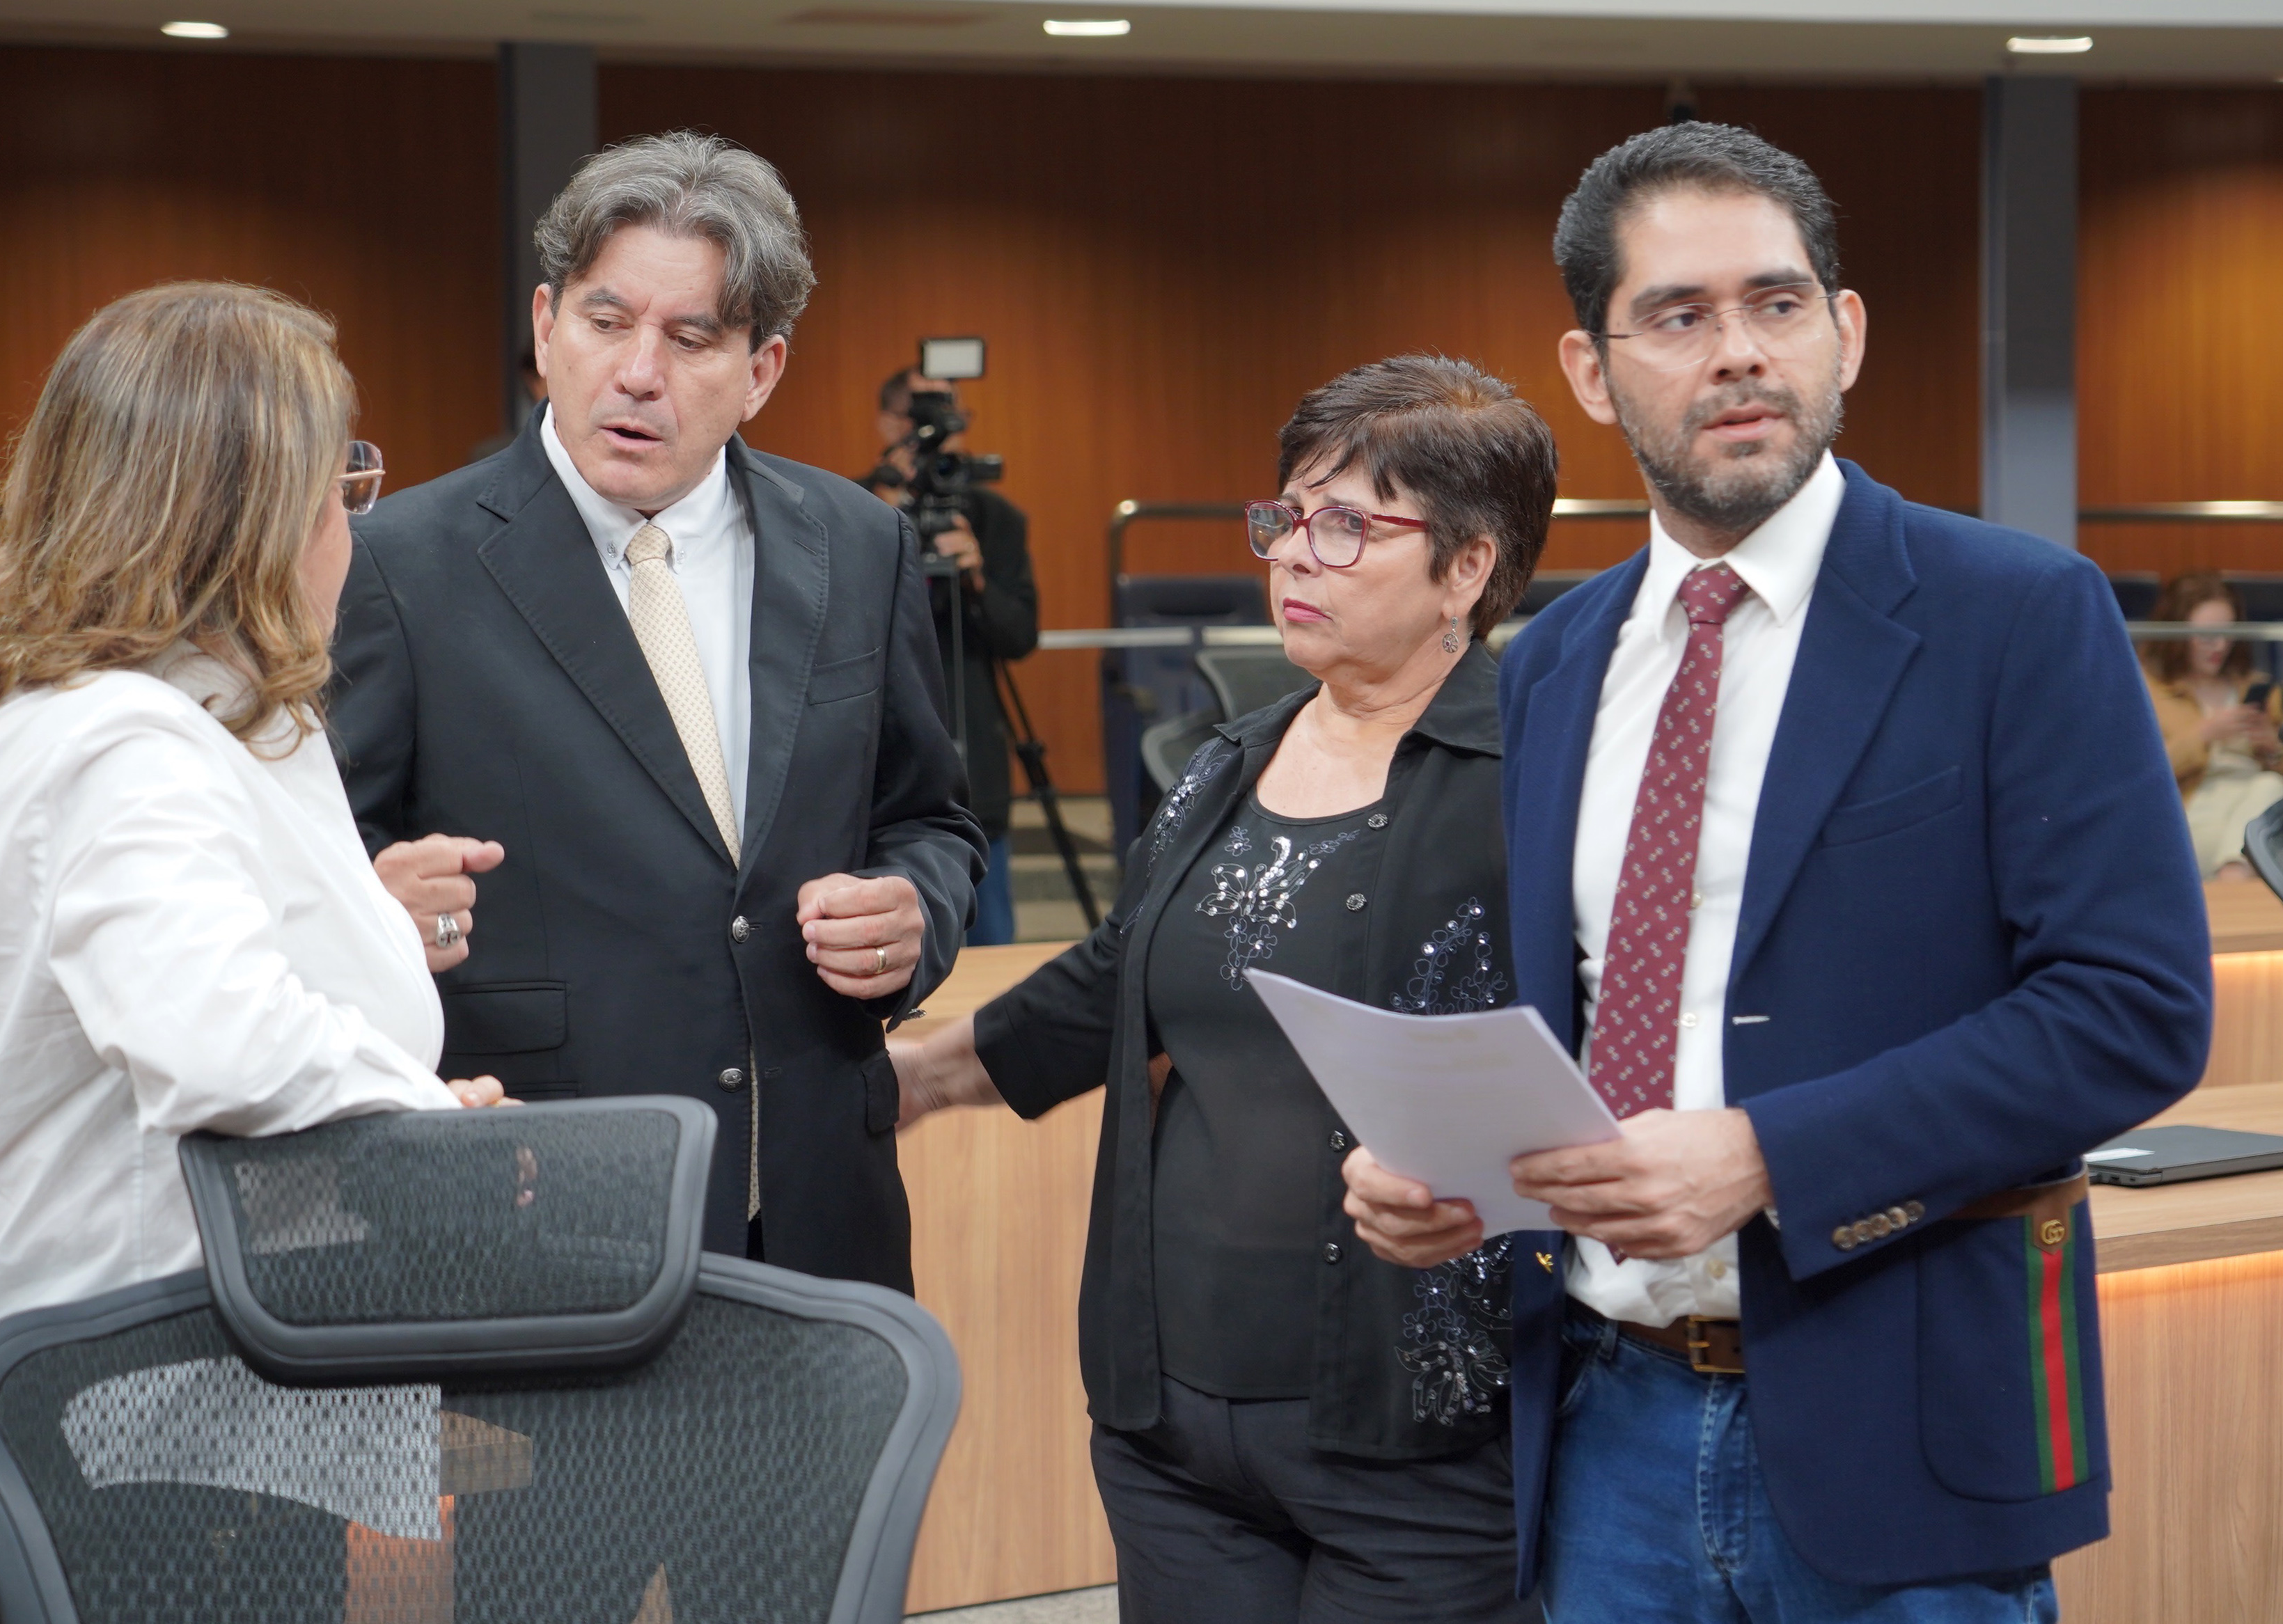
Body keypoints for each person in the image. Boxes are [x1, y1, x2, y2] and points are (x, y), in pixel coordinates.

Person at [1342, 125, 2211, 1623]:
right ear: (1592, 371)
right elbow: (1567, 1009)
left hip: (1905, 1429)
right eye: (1678, 315)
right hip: (1601, 1421)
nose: (1738, 350)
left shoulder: (2015, 614)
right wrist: (1458, 1174)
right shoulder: (1551, 662)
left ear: (1844, 331)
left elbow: (2129, 1010)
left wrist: (1767, 1154)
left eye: (1776, 302)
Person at [895, 355, 1556, 1623]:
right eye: (1287, 517)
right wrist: (919, 1076)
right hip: (1172, 1430)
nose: (1294, 553)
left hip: (1418, 1439)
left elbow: (1603, 1070)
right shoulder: (1228, 759)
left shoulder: (1532, 773)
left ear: (1466, 567)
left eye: (1346, 525)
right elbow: (1117, 973)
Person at [0, 282, 508, 1624]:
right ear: (249, 516)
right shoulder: (127, 742)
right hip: (132, 1434)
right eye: (338, 487)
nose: (353, 525)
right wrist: (422, 1117)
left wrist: (358, 930)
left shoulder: (158, 715)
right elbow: (220, 1041)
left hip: (162, 1421)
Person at [331, 132, 984, 1293]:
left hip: (818, 1207)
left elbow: (928, 821)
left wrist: (913, 914)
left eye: (690, 339)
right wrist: (373, 904)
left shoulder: (857, 544)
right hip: (543, 1204)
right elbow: (323, 860)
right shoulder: (398, 562)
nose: (638, 372)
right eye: (605, 320)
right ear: (546, 327)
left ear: (760, 370)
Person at [863, 366, 1039, 943]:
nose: (939, 430)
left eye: (950, 417)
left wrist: (977, 578)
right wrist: (879, 523)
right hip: (875, 752)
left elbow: (1020, 637)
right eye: (922, 416)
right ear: (888, 423)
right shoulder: (851, 508)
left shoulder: (994, 518)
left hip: (973, 753)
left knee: (991, 944)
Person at [2140, 570, 2283, 880]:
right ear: (2177, 633)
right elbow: (2139, 773)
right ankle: (2237, 875)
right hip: (2194, 810)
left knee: (2270, 789)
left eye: (2228, 633)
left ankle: (2233, 876)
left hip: (2253, 805)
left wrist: (2272, 748)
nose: (2219, 646)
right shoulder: (2149, 692)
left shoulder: (2255, 687)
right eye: (2207, 635)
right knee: (2268, 811)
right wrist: (2205, 734)